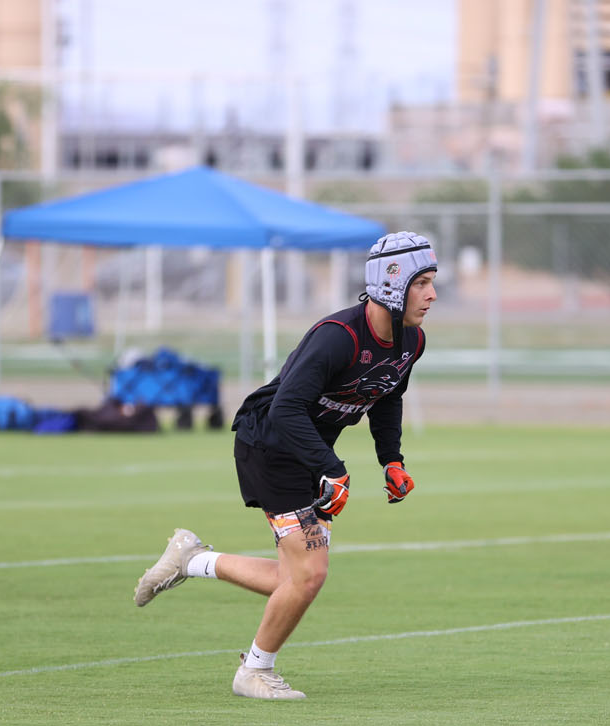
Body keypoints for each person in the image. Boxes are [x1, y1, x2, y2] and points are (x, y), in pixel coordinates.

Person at [132, 231, 437, 699]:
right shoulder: (337, 337)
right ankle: (254, 671)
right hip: (270, 445)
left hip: (307, 453)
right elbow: (285, 409)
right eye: (422, 283)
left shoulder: (411, 342)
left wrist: (391, 460)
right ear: (392, 283)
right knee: (309, 575)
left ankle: (192, 560)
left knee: (296, 578)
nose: (432, 295)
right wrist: (332, 468)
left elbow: (387, 396)